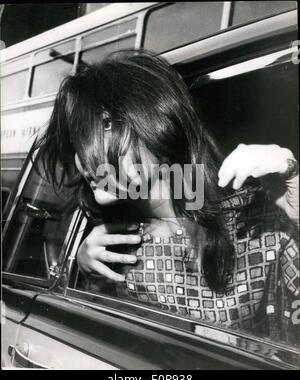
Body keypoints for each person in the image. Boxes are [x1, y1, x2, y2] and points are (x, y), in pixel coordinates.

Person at [37, 49, 299, 344]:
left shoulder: (253, 221)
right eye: (79, 136)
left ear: (160, 124)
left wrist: (295, 192)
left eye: (106, 124)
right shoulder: (114, 244)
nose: (83, 155)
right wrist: (85, 268)